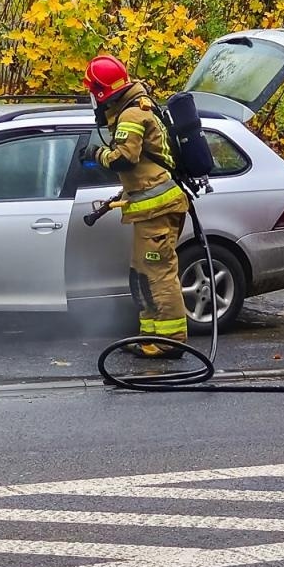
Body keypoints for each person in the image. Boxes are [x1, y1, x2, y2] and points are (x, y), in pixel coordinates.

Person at [83, 55, 189, 358]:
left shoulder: (131, 116)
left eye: (94, 91)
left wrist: (97, 154)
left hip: (158, 211)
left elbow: (125, 158)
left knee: (158, 274)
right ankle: (150, 336)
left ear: (102, 92)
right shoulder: (135, 109)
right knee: (142, 274)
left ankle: (172, 341)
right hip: (147, 211)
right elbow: (141, 167)